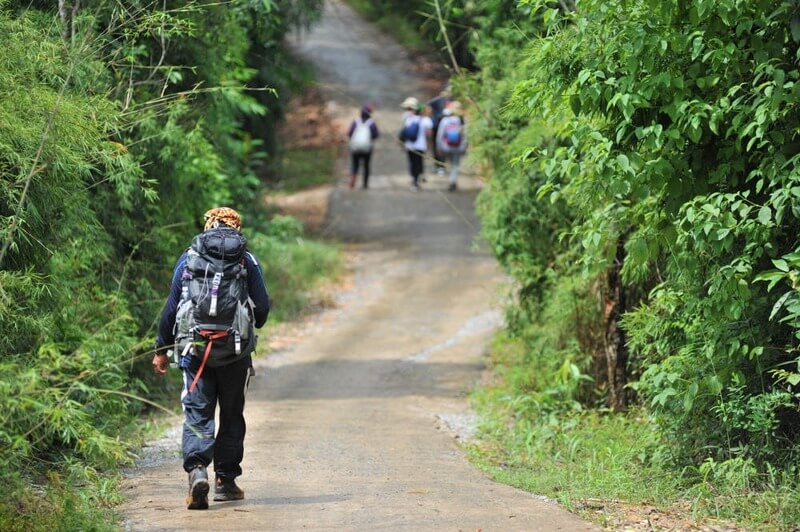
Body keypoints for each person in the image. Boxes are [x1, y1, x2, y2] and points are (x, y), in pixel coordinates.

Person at [152, 207, 270, 510]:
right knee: (231, 413)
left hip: (195, 352)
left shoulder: (189, 257)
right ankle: (225, 482)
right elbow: (263, 308)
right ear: (236, 228)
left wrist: (161, 350)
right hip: (234, 353)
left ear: (209, 226)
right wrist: (245, 326)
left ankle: (197, 472)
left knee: (197, 412)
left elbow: (171, 307)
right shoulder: (246, 259)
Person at [399, 96, 433, 190]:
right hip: (421, 146)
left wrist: (402, 143)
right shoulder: (426, 120)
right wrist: (429, 144)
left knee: (412, 163)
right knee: (419, 162)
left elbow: (404, 132)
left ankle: (414, 180)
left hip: (410, 146)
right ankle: (416, 181)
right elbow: (429, 134)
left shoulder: (408, 119)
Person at [434, 101, 468, 191]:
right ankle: (453, 182)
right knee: (455, 165)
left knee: (449, 163)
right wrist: (465, 147)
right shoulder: (461, 121)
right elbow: (465, 136)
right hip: (458, 147)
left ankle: (451, 180)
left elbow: (440, 135)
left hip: (446, 147)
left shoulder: (445, 120)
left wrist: (438, 147)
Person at [347, 104, 379, 189]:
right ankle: (365, 184)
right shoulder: (372, 123)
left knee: (355, 164)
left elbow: (350, 133)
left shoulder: (356, 122)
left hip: (355, 147)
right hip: (367, 148)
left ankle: (353, 179)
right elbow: (375, 135)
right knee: (366, 165)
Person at [427, 85, 451, 174]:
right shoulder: (446, 100)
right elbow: (428, 106)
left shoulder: (446, 100)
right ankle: (439, 166)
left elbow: (428, 106)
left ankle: (439, 166)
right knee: (439, 147)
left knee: (438, 147)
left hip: (440, 126)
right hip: (438, 126)